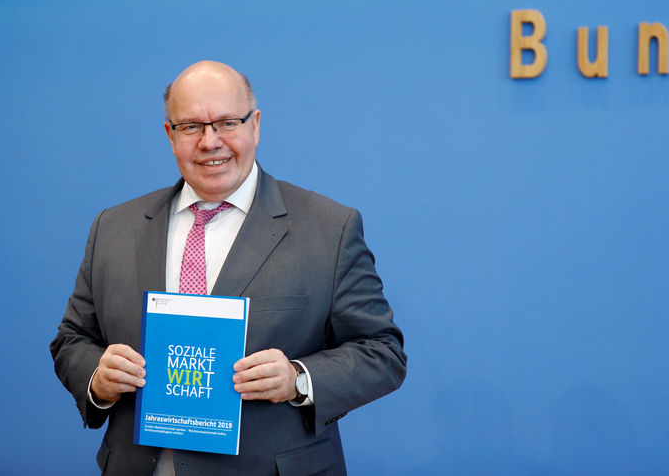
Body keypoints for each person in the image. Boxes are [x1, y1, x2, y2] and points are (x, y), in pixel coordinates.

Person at [50, 60, 407, 475]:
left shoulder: (329, 228)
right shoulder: (113, 227)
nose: (210, 141)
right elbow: (71, 339)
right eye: (191, 127)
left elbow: (383, 352)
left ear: (255, 125)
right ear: (170, 135)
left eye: (226, 123)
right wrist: (98, 377)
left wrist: (297, 378)